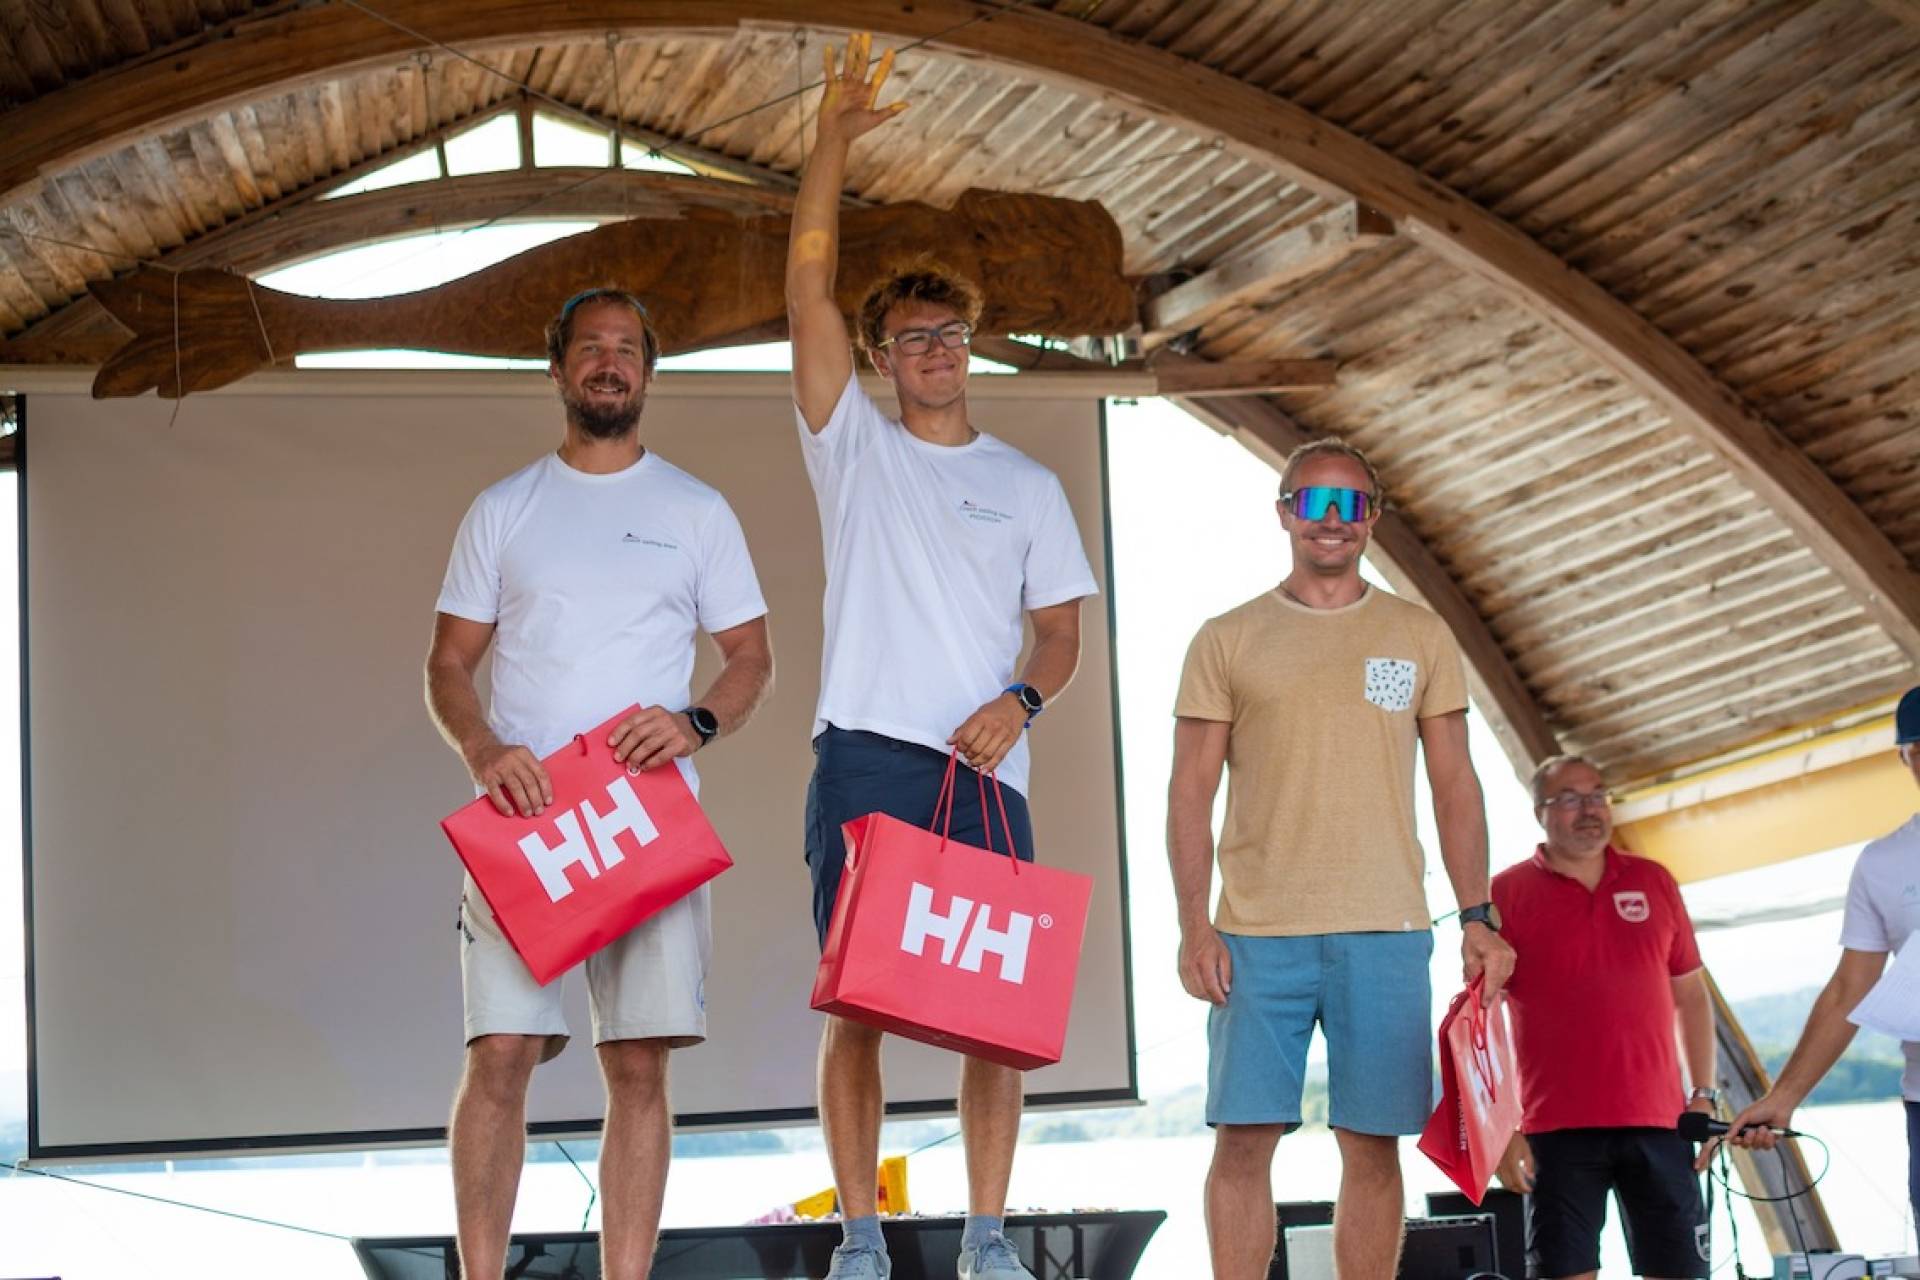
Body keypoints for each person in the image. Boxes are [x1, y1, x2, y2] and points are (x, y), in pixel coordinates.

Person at [784, 33, 1099, 1280]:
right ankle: (861, 1238)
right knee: (858, 999)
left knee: (995, 1017)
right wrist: (829, 143)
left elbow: (1062, 634)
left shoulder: (1026, 484)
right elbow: (807, 289)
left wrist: (1022, 698)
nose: (934, 350)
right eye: (911, 337)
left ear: (973, 344)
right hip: (869, 753)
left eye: (950, 333)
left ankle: (986, 1237)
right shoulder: (853, 449)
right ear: (879, 359)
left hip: (986, 768)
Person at [425, 287, 774, 1280]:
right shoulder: (505, 507)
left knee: (638, 1062)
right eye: (590, 347)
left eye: (626, 347)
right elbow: (448, 662)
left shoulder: (697, 509)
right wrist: (484, 751)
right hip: (525, 816)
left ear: (648, 371)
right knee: (499, 1054)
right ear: (559, 368)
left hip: (645, 817)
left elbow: (751, 656)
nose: (608, 361)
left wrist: (696, 721)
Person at [1167, 439, 1516, 1280]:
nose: (1332, 520)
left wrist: (1477, 917)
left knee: (1373, 1144)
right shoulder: (1226, 638)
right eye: (1314, 502)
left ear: (1374, 518)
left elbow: (1456, 785)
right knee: (1242, 1141)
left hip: (1387, 930)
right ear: (1284, 512)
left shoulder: (1419, 633)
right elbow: (1188, 794)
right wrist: (1193, 927)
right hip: (1255, 935)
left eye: (1350, 504)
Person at [1492, 755, 1717, 1280]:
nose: (1589, 810)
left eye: (1597, 796)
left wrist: (1703, 1096)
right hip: (1555, 1129)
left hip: (1660, 1123)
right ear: (1539, 812)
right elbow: (1483, 1021)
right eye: (1570, 799)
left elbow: (1691, 996)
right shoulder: (1505, 893)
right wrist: (1500, 1127)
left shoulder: (1655, 880)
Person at [1727, 685, 1920, 1225]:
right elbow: (1848, 990)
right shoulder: (1882, 863)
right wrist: (1783, 1097)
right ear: (1904, 758)